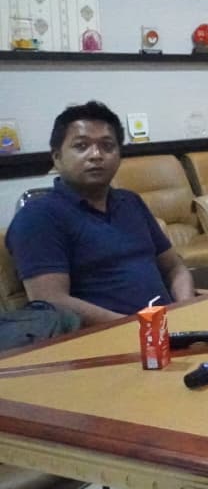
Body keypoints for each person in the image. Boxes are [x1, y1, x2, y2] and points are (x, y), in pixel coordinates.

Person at [5, 101, 194, 325]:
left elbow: (174, 267)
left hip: (168, 328)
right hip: (106, 337)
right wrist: (139, 328)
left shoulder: (130, 202)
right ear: (57, 157)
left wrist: (185, 309)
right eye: (81, 146)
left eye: (107, 146)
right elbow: (51, 301)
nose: (96, 155)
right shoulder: (38, 216)